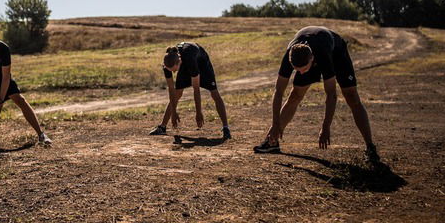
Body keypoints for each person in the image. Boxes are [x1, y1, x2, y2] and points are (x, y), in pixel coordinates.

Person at [253, 26, 380, 163]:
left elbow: (331, 94)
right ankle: (272, 141)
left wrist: (325, 127)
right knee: (295, 95)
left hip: (336, 52)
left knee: (352, 97)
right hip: (310, 53)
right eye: (297, 70)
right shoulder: (290, 55)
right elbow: (278, 92)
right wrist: (275, 123)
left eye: (304, 69)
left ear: (312, 59)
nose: (301, 73)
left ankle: (370, 147)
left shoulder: (323, 55)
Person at [149, 42, 231, 140]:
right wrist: (174, 113)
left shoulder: (190, 60)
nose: (174, 72)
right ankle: (162, 127)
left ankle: (226, 128)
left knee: (214, 93)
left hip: (202, 64)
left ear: (178, 62)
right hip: (184, 65)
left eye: (174, 70)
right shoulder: (167, 65)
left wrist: (198, 112)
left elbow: (196, 89)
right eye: (171, 71)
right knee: (177, 93)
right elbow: (171, 91)